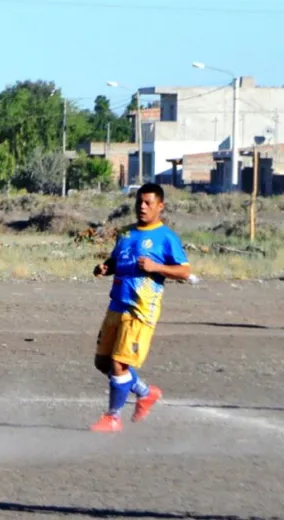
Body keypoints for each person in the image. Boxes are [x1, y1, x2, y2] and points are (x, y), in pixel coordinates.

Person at [90, 183, 191, 432]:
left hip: (141, 309)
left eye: (148, 203)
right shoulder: (126, 233)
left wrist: (157, 268)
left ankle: (113, 417)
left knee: (118, 364)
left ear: (160, 206)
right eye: (139, 202)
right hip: (117, 304)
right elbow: (117, 261)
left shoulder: (166, 237)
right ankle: (145, 394)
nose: (142, 207)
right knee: (102, 362)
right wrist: (105, 267)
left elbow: (185, 271)